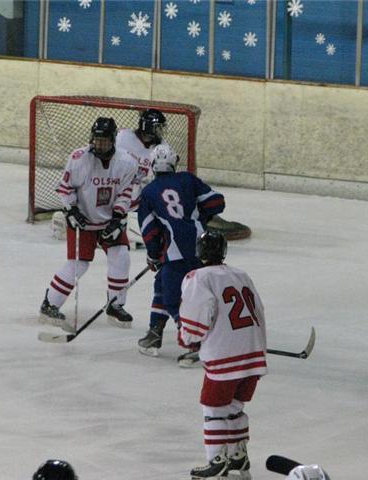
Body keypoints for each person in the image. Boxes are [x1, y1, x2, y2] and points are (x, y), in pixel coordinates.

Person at [178, 231, 267, 479]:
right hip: (253, 353)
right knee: (235, 406)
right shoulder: (242, 275)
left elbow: (197, 314)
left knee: (213, 408)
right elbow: (259, 310)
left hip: (225, 354)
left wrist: (189, 338)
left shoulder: (198, 277)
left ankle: (217, 461)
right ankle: (238, 456)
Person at [39, 117, 139, 332]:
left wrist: (117, 218)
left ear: (113, 140)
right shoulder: (79, 158)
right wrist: (71, 210)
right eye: (96, 140)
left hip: (109, 221)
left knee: (121, 256)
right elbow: (65, 188)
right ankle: (50, 304)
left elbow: (125, 193)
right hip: (83, 220)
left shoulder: (127, 162)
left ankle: (115, 305)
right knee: (78, 264)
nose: (99, 144)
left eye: (104, 141)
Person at [136, 144, 225, 359]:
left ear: (152, 166)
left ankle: (194, 342)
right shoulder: (187, 179)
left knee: (173, 298)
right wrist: (197, 218)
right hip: (202, 247)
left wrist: (153, 254)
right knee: (164, 284)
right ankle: (155, 331)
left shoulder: (148, 192)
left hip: (175, 251)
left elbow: (149, 230)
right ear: (174, 163)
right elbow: (217, 202)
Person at [115, 108, 170, 211]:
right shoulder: (122, 137)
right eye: (158, 128)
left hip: (142, 199)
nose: (160, 131)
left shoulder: (163, 147)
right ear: (148, 127)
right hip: (117, 191)